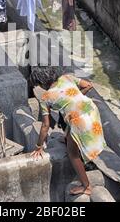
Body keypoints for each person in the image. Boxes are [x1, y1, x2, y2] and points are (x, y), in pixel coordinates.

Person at [30, 66, 107, 196]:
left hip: (80, 121)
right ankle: (69, 138)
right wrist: (75, 99)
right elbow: (89, 85)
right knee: (71, 126)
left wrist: (38, 146)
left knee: (72, 154)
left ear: (42, 83)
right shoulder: (67, 78)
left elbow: (45, 125)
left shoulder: (46, 97)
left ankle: (86, 186)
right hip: (91, 110)